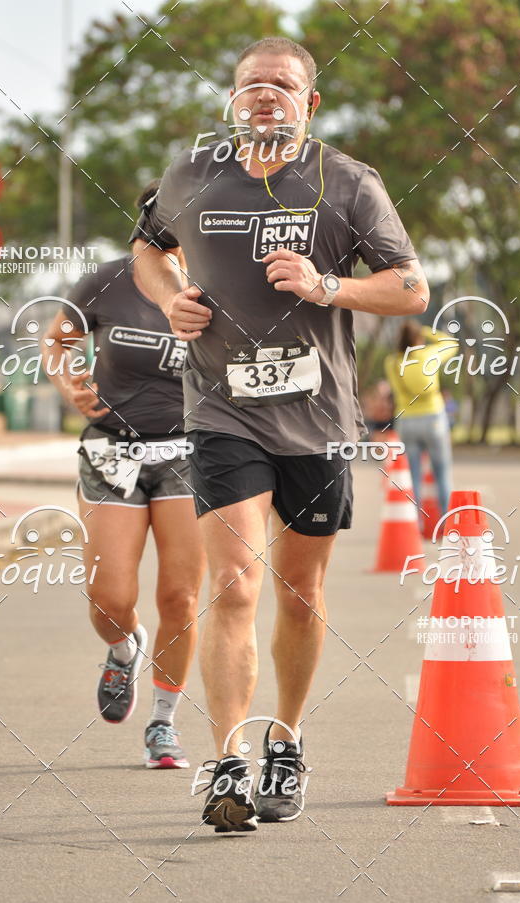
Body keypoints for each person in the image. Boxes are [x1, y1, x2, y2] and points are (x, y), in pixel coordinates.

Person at [131, 37, 429, 831]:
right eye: (250, 85)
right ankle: (228, 757)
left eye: (282, 87)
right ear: (232, 98)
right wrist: (168, 300)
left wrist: (328, 283)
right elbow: (147, 248)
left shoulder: (349, 183)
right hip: (222, 411)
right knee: (234, 582)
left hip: (320, 417)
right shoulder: (192, 175)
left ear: (310, 103)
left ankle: (286, 742)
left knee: (300, 594)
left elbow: (410, 285)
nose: (265, 96)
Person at [41, 180, 205, 769]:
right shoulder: (106, 281)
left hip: (191, 454)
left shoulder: (221, 287)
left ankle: (163, 723)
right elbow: (56, 341)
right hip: (111, 451)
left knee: (181, 596)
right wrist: (71, 385)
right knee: (110, 596)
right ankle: (122, 647)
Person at [384, 320, 454, 517]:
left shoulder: (392, 362)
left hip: (406, 420)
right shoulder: (429, 354)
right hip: (433, 419)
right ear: (418, 337)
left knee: (412, 476)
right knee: (442, 473)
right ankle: (447, 523)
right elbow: (451, 343)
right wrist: (425, 330)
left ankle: (413, 524)